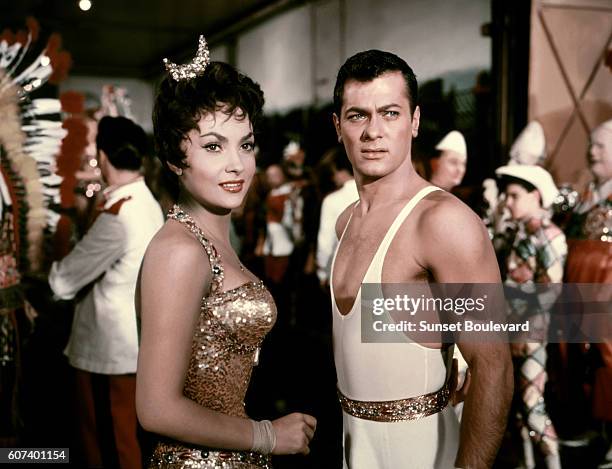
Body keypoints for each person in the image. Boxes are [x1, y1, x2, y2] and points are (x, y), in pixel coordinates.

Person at [136, 36, 316, 469]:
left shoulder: (211, 239)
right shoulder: (179, 250)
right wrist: (269, 434)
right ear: (176, 159)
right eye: (214, 146)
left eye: (246, 144)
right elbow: (155, 408)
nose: (237, 163)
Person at [330, 49, 513, 468]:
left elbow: (493, 366)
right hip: (353, 448)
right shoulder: (345, 223)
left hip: (425, 454)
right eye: (358, 116)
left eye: (390, 113)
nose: (373, 131)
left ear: (414, 121)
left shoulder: (442, 222)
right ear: (338, 126)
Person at [49, 116, 164, 469]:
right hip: (130, 343)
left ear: (102, 154)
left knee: (107, 444)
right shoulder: (145, 201)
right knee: (122, 439)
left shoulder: (119, 214)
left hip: (106, 350)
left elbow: (62, 281)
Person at [495, 165, 565, 469]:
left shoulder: (549, 236)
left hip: (530, 334)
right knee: (514, 411)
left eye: (514, 195)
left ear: (535, 195)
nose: (508, 202)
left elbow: (550, 292)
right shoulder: (514, 234)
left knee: (532, 405)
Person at [563, 119, 612, 469]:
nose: (591, 151)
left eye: (600, 145)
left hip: (605, 293)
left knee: (609, 360)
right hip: (579, 293)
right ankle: (596, 428)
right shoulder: (585, 198)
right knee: (583, 361)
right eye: (590, 144)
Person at [316, 146, 358, 287]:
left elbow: (325, 241)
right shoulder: (377, 194)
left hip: (341, 271)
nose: (333, 178)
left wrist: (322, 272)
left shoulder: (332, 200)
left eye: (332, 173)